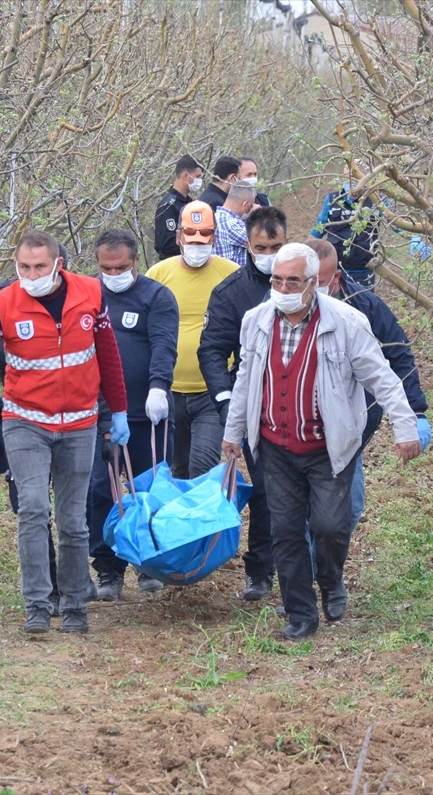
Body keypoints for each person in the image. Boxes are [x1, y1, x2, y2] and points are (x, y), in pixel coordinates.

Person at [221, 243, 422, 641]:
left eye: (293, 281)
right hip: (275, 446)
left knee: (329, 526)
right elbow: (245, 378)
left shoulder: (347, 322)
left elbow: (381, 377)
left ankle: (330, 580)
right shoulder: (256, 321)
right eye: (278, 280)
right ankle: (301, 614)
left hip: (328, 447)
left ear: (313, 283)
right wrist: (232, 432)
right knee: (285, 531)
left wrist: (406, 426)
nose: (283, 288)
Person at [0, 230, 128, 635]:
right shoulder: (0, 304)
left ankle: (74, 605)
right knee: (33, 510)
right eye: (24, 267)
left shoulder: (92, 294)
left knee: (73, 520)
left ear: (58, 264)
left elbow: (108, 354)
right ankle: (38, 603)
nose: (31, 275)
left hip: (80, 422)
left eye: (39, 267)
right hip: (25, 421)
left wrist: (118, 411)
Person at [306, 237, 431, 529]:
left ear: (336, 277)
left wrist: (416, 412)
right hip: (301, 427)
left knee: (350, 509)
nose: (310, 290)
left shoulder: (365, 308)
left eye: (319, 282)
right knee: (302, 513)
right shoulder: (281, 311)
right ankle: (304, 557)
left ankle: (323, 557)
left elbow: (397, 355)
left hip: (349, 425)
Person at [198, 206, 287, 601]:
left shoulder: (309, 284)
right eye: (260, 248)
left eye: (276, 247)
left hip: (307, 405)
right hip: (255, 406)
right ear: (247, 246)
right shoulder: (231, 293)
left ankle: (308, 565)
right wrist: (225, 400)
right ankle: (261, 571)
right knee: (267, 488)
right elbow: (212, 350)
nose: (268, 255)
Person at [86, 229, 179, 600]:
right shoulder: (88, 296)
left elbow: (163, 344)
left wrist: (159, 387)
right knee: (101, 492)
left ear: (136, 262)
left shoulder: (156, 297)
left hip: (147, 415)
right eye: (106, 268)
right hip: (101, 415)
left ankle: (148, 562)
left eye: (121, 267)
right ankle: (108, 569)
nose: (114, 274)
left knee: (149, 492)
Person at [146, 202, 239, 479]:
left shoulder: (232, 275)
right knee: (176, 470)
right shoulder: (158, 275)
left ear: (214, 238)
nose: (197, 245)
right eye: (191, 238)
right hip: (169, 392)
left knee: (203, 468)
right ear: (178, 237)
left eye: (204, 238)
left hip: (212, 392)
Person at [311, 180, 391, 290]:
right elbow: (317, 231)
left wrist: (413, 236)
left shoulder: (376, 199)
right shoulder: (332, 198)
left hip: (364, 270)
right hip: (336, 271)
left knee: (362, 300)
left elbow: (396, 223)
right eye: (350, 177)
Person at [154, 155, 203, 260]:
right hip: (173, 262)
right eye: (197, 176)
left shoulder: (190, 202)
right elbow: (165, 244)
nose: (199, 181)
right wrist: (193, 242)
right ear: (185, 176)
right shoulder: (169, 205)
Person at [213, 181, 256, 265]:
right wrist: (258, 216)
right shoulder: (233, 224)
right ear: (246, 204)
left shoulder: (215, 218)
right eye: (251, 205)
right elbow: (262, 240)